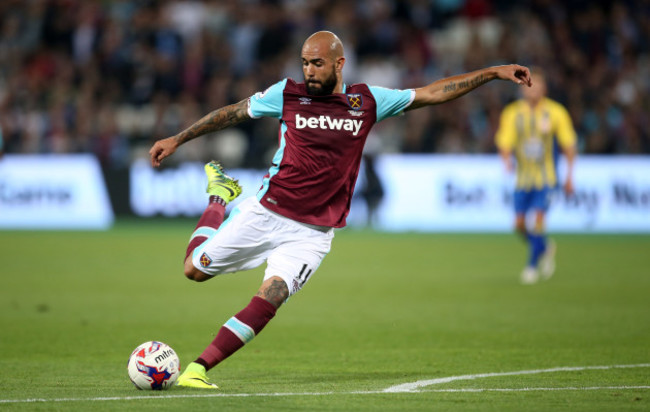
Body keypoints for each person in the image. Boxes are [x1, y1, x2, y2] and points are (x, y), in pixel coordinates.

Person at [149, 31, 532, 389]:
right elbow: (232, 112)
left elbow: (432, 92)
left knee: (274, 293)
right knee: (193, 270)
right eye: (304, 63)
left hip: (312, 233)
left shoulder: (366, 102)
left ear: (338, 64)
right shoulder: (286, 94)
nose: (309, 71)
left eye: (317, 63)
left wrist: (493, 72)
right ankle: (220, 195)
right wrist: (178, 139)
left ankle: (197, 369)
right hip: (267, 211)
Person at [495, 68, 577, 285]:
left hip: (547, 178)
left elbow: (568, 145)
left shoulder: (556, 112)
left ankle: (531, 267)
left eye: (537, 85)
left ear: (544, 89)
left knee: (539, 220)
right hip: (523, 178)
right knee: (519, 225)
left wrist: (570, 176)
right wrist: (506, 161)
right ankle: (543, 246)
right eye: (530, 85)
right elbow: (504, 141)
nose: (533, 90)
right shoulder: (513, 113)